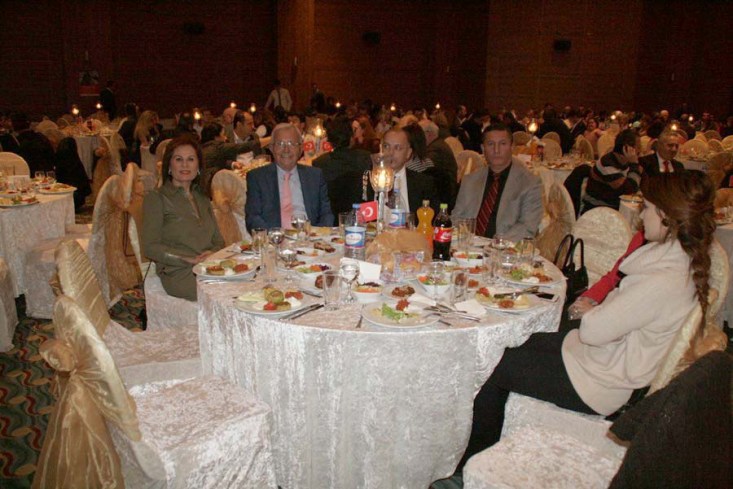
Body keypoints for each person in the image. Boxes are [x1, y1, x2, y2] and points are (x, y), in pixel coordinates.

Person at [458, 171, 715, 468]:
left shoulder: (661, 281)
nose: (641, 216)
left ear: (667, 217)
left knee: (496, 364)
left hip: (602, 383)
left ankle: (475, 459)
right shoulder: (677, 260)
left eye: (647, 208)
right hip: (606, 358)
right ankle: (493, 437)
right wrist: (600, 311)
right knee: (517, 340)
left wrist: (594, 311)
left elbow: (593, 331)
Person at [142, 134, 223, 301]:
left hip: (210, 267)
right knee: (224, 295)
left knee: (247, 283)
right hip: (179, 272)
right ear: (169, 165)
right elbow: (150, 247)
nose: (185, 165)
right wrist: (188, 259)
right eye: (178, 159)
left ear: (198, 166)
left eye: (191, 159)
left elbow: (219, 241)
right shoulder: (157, 198)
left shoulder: (202, 196)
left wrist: (212, 253)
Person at [452, 123, 543, 241]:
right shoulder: (470, 180)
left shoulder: (530, 183)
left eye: (502, 144)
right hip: (468, 246)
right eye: (490, 144)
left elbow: (528, 226)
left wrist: (496, 244)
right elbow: (457, 217)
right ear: (483, 148)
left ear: (511, 147)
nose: (496, 150)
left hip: (505, 247)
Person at [245, 123, 333, 230]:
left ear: (301, 148)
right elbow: (253, 217)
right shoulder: (257, 177)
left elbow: (326, 214)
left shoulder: (315, 176)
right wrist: (274, 235)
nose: (286, 149)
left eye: (292, 143)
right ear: (271, 148)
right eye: (280, 144)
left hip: (309, 236)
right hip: (274, 237)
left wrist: (317, 234)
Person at [312, 116, 371, 224]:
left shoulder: (319, 163)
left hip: (330, 221)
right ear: (351, 138)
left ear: (329, 141)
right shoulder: (365, 158)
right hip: (362, 218)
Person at [583, 129, 642, 212]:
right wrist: (634, 164)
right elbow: (628, 190)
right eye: (638, 147)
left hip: (615, 206)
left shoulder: (625, 162)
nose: (640, 150)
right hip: (599, 209)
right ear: (626, 148)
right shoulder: (607, 163)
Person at [200, 122, 262, 196]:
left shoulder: (204, 147)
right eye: (223, 134)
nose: (225, 137)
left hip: (204, 184)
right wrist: (270, 139)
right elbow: (243, 147)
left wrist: (232, 164)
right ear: (216, 137)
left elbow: (214, 161)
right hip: (211, 188)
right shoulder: (217, 147)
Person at [419, 119, 458, 209]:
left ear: (429, 134)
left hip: (444, 200)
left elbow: (423, 169)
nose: (418, 138)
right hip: (444, 193)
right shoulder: (438, 144)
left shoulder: (435, 149)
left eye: (420, 134)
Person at [54, 137, 91, 211]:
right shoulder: (76, 162)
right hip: (78, 197)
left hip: (69, 196)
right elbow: (85, 188)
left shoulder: (58, 161)